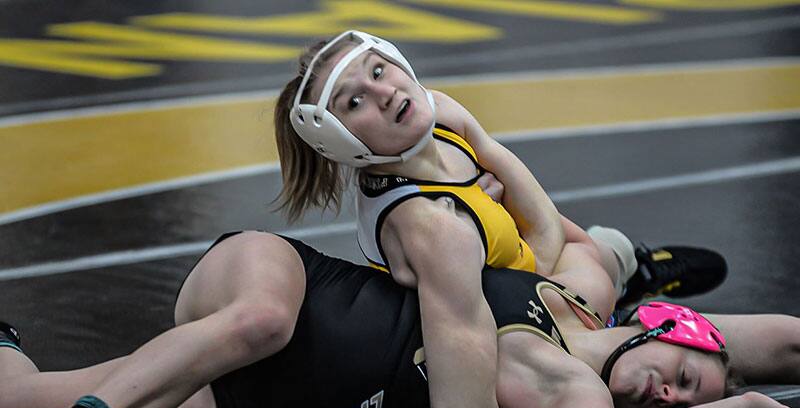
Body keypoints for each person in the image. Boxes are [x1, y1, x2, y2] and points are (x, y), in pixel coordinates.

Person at [0, 232, 798, 408]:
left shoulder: (559, 384)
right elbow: (788, 341)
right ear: (681, 330)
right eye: (682, 380)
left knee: (11, 407)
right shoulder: (577, 295)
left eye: (667, 406)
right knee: (262, 322)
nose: (662, 394)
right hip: (286, 281)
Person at [273, 29, 728, 324]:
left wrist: (553, 240)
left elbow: (533, 205)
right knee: (593, 272)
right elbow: (526, 261)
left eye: (378, 70)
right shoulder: (420, 222)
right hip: (502, 319)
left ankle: (632, 266)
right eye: (354, 102)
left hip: (525, 260)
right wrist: (567, 254)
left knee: (590, 253)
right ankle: (625, 295)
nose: (384, 92)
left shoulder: (439, 115)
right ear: (339, 140)